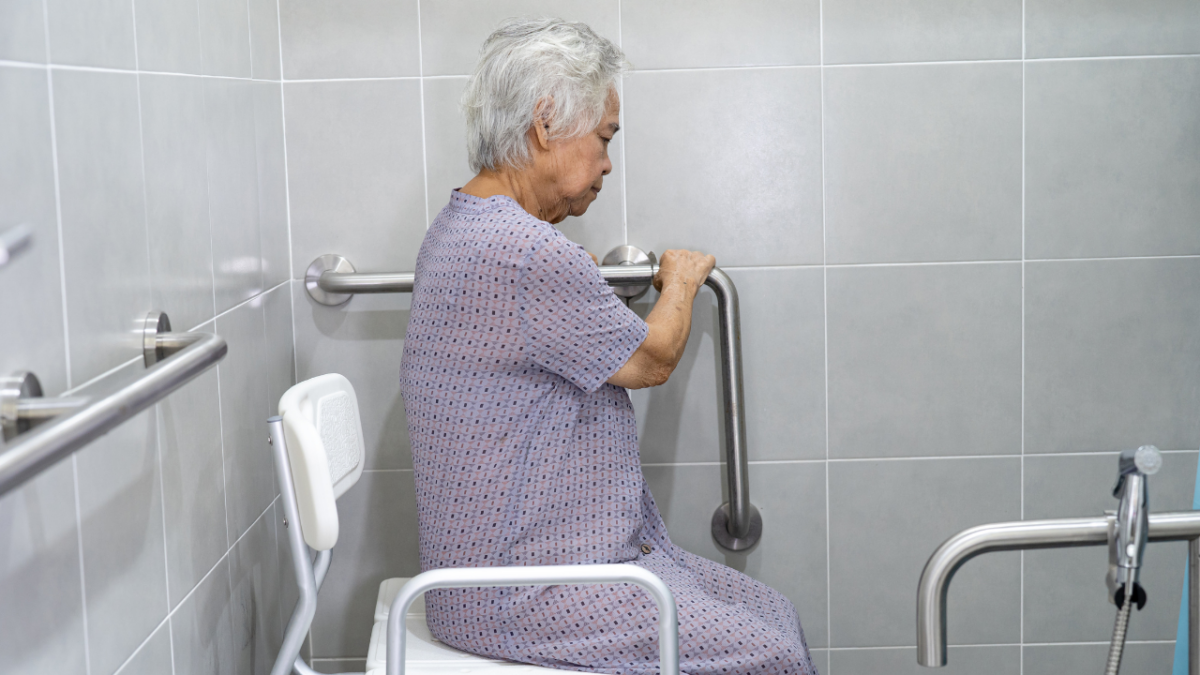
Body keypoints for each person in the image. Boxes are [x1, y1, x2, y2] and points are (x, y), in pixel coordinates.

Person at [399, 17, 816, 675]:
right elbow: (651, 360)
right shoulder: (525, 252)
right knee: (773, 653)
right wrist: (679, 280)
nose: (607, 162)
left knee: (774, 615)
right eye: (602, 137)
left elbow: (524, 331)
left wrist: (575, 279)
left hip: (491, 579)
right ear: (545, 126)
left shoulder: (463, 226)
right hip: (528, 591)